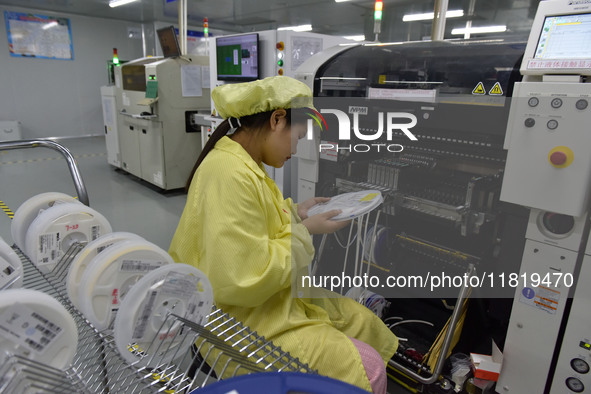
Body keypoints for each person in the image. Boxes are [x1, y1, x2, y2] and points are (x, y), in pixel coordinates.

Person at [169, 76, 398, 393]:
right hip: (235, 323)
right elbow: (242, 276)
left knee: (359, 320)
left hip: (261, 303)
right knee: (367, 366)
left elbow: (256, 222)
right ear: (277, 119)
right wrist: (307, 232)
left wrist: (298, 212)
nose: (297, 147)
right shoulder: (229, 172)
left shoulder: (244, 162)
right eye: (299, 135)